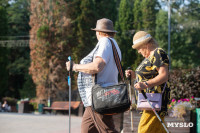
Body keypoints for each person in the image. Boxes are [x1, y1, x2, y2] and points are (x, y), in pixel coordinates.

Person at [66, 18, 121, 133]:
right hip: (99, 96)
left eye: (96, 31)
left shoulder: (105, 42)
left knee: (107, 130)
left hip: (100, 96)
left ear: (99, 32)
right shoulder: (114, 44)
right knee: (87, 130)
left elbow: (97, 66)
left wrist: (74, 67)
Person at [125, 31, 170, 133]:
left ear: (146, 44)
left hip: (153, 102)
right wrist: (134, 75)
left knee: (144, 130)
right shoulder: (150, 57)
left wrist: (145, 84)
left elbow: (163, 75)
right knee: (158, 130)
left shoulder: (158, 52)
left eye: (139, 48)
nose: (138, 51)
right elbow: (149, 75)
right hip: (149, 102)